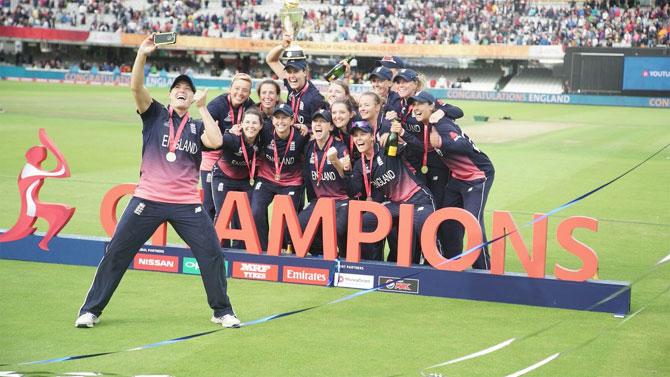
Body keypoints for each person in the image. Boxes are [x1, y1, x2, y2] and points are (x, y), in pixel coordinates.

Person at [75, 35, 239, 329]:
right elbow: (135, 86)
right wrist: (141, 54)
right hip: (148, 198)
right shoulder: (154, 115)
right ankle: (91, 309)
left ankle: (222, 310)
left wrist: (203, 108)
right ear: (169, 94)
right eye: (178, 89)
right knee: (117, 250)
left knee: (211, 252)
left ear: (191, 98)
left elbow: (216, 142)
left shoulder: (198, 125)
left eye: (187, 91)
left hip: (186, 204)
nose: (182, 92)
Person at [345, 120, 436, 262]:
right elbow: (353, 192)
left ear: (372, 136)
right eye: (355, 136)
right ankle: (372, 264)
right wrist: (345, 172)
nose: (358, 139)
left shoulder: (387, 149)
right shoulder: (359, 165)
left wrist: (402, 133)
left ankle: (436, 265)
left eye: (363, 134)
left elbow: (418, 149)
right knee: (368, 219)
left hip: (418, 199)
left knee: (424, 225)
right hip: (396, 205)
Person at [425, 94, 495, 270]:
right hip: (457, 179)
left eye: (419, 105)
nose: (415, 109)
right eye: (413, 106)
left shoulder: (443, 125)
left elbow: (464, 145)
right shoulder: (429, 125)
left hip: (477, 176)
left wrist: (443, 143)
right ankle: (453, 263)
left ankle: (484, 270)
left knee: (473, 222)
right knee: (447, 218)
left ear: (431, 107)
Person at [0, 129, 75, 251]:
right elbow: (62, 172)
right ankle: (44, 242)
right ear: (32, 156)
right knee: (63, 211)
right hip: (31, 208)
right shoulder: (30, 170)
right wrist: (51, 147)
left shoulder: (33, 168)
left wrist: (48, 144)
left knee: (64, 210)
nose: (43, 154)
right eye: (40, 152)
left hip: (32, 206)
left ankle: (45, 241)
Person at [251, 104, 310, 251]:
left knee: (287, 218)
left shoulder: (301, 135)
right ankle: (264, 249)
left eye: (284, 118)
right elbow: (248, 126)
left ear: (292, 120)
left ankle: (284, 249)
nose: (280, 121)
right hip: (266, 178)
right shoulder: (265, 130)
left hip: (292, 182)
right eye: (277, 117)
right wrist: (236, 128)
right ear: (272, 120)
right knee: (256, 211)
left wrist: (305, 127)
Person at [203, 72, 255, 220]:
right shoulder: (216, 105)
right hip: (213, 157)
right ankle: (208, 242)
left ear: (249, 93)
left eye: (245, 90)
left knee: (238, 213)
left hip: (235, 161)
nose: (240, 93)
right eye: (237, 88)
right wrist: (227, 132)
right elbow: (205, 132)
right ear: (230, 88)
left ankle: (235, 243)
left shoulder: (250, 106)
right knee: (210, 206)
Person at [298, 109, 351, 256]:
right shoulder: (309, 146)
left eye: (323, 122)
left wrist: (335, 162)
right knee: (299, 226)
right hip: (320, 201)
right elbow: (308, 176)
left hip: (341, 200)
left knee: (339, 228)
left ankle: (345, 258)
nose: (318, 125)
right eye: (316, 121)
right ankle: (322, 254)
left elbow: (345, 176)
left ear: (331, 127)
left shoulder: (340, 147)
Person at [212, 107, 265, 249]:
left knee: (244, 216)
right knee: (223, 214)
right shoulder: (232, 138)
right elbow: (214, 143)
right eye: (247, 122)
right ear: (241, 124)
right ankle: (218, 249)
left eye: (254, 123)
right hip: (223, 177)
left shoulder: (263, 138)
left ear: (261, 126)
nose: (251, 126)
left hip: (246, 180)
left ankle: (239, 251)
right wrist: (225, 131)